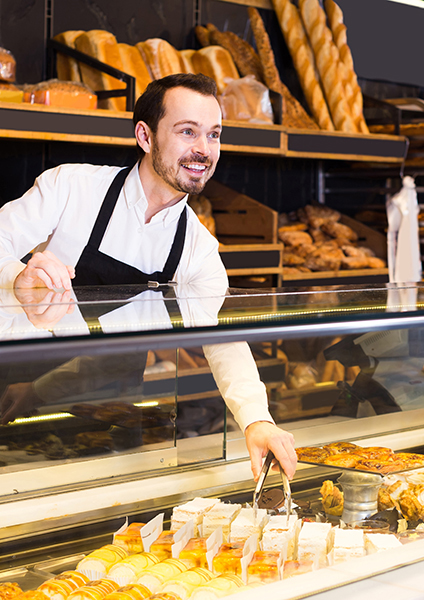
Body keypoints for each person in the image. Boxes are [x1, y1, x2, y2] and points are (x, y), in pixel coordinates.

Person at [0, 73, 296, 481]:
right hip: (8, 393)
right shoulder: (71, 188)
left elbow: (222, 340)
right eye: (187, 131)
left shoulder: (198, 249)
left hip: (109, 415)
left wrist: (256, 420)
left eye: (213, 134)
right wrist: (18, 275)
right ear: (145, 135)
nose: (203, 150)